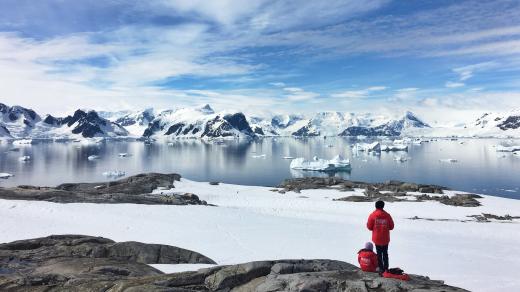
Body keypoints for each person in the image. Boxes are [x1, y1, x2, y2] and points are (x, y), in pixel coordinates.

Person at [366, 200, 394, 274]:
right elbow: (392, 227)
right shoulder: (387, 215)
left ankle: (381, 268)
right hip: (385, 238)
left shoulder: (372, 215)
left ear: (376, 206)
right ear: (383, 206)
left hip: (377, 238)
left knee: (379, 254)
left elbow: (369, 227)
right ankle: (386, 268)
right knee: (385, 253)